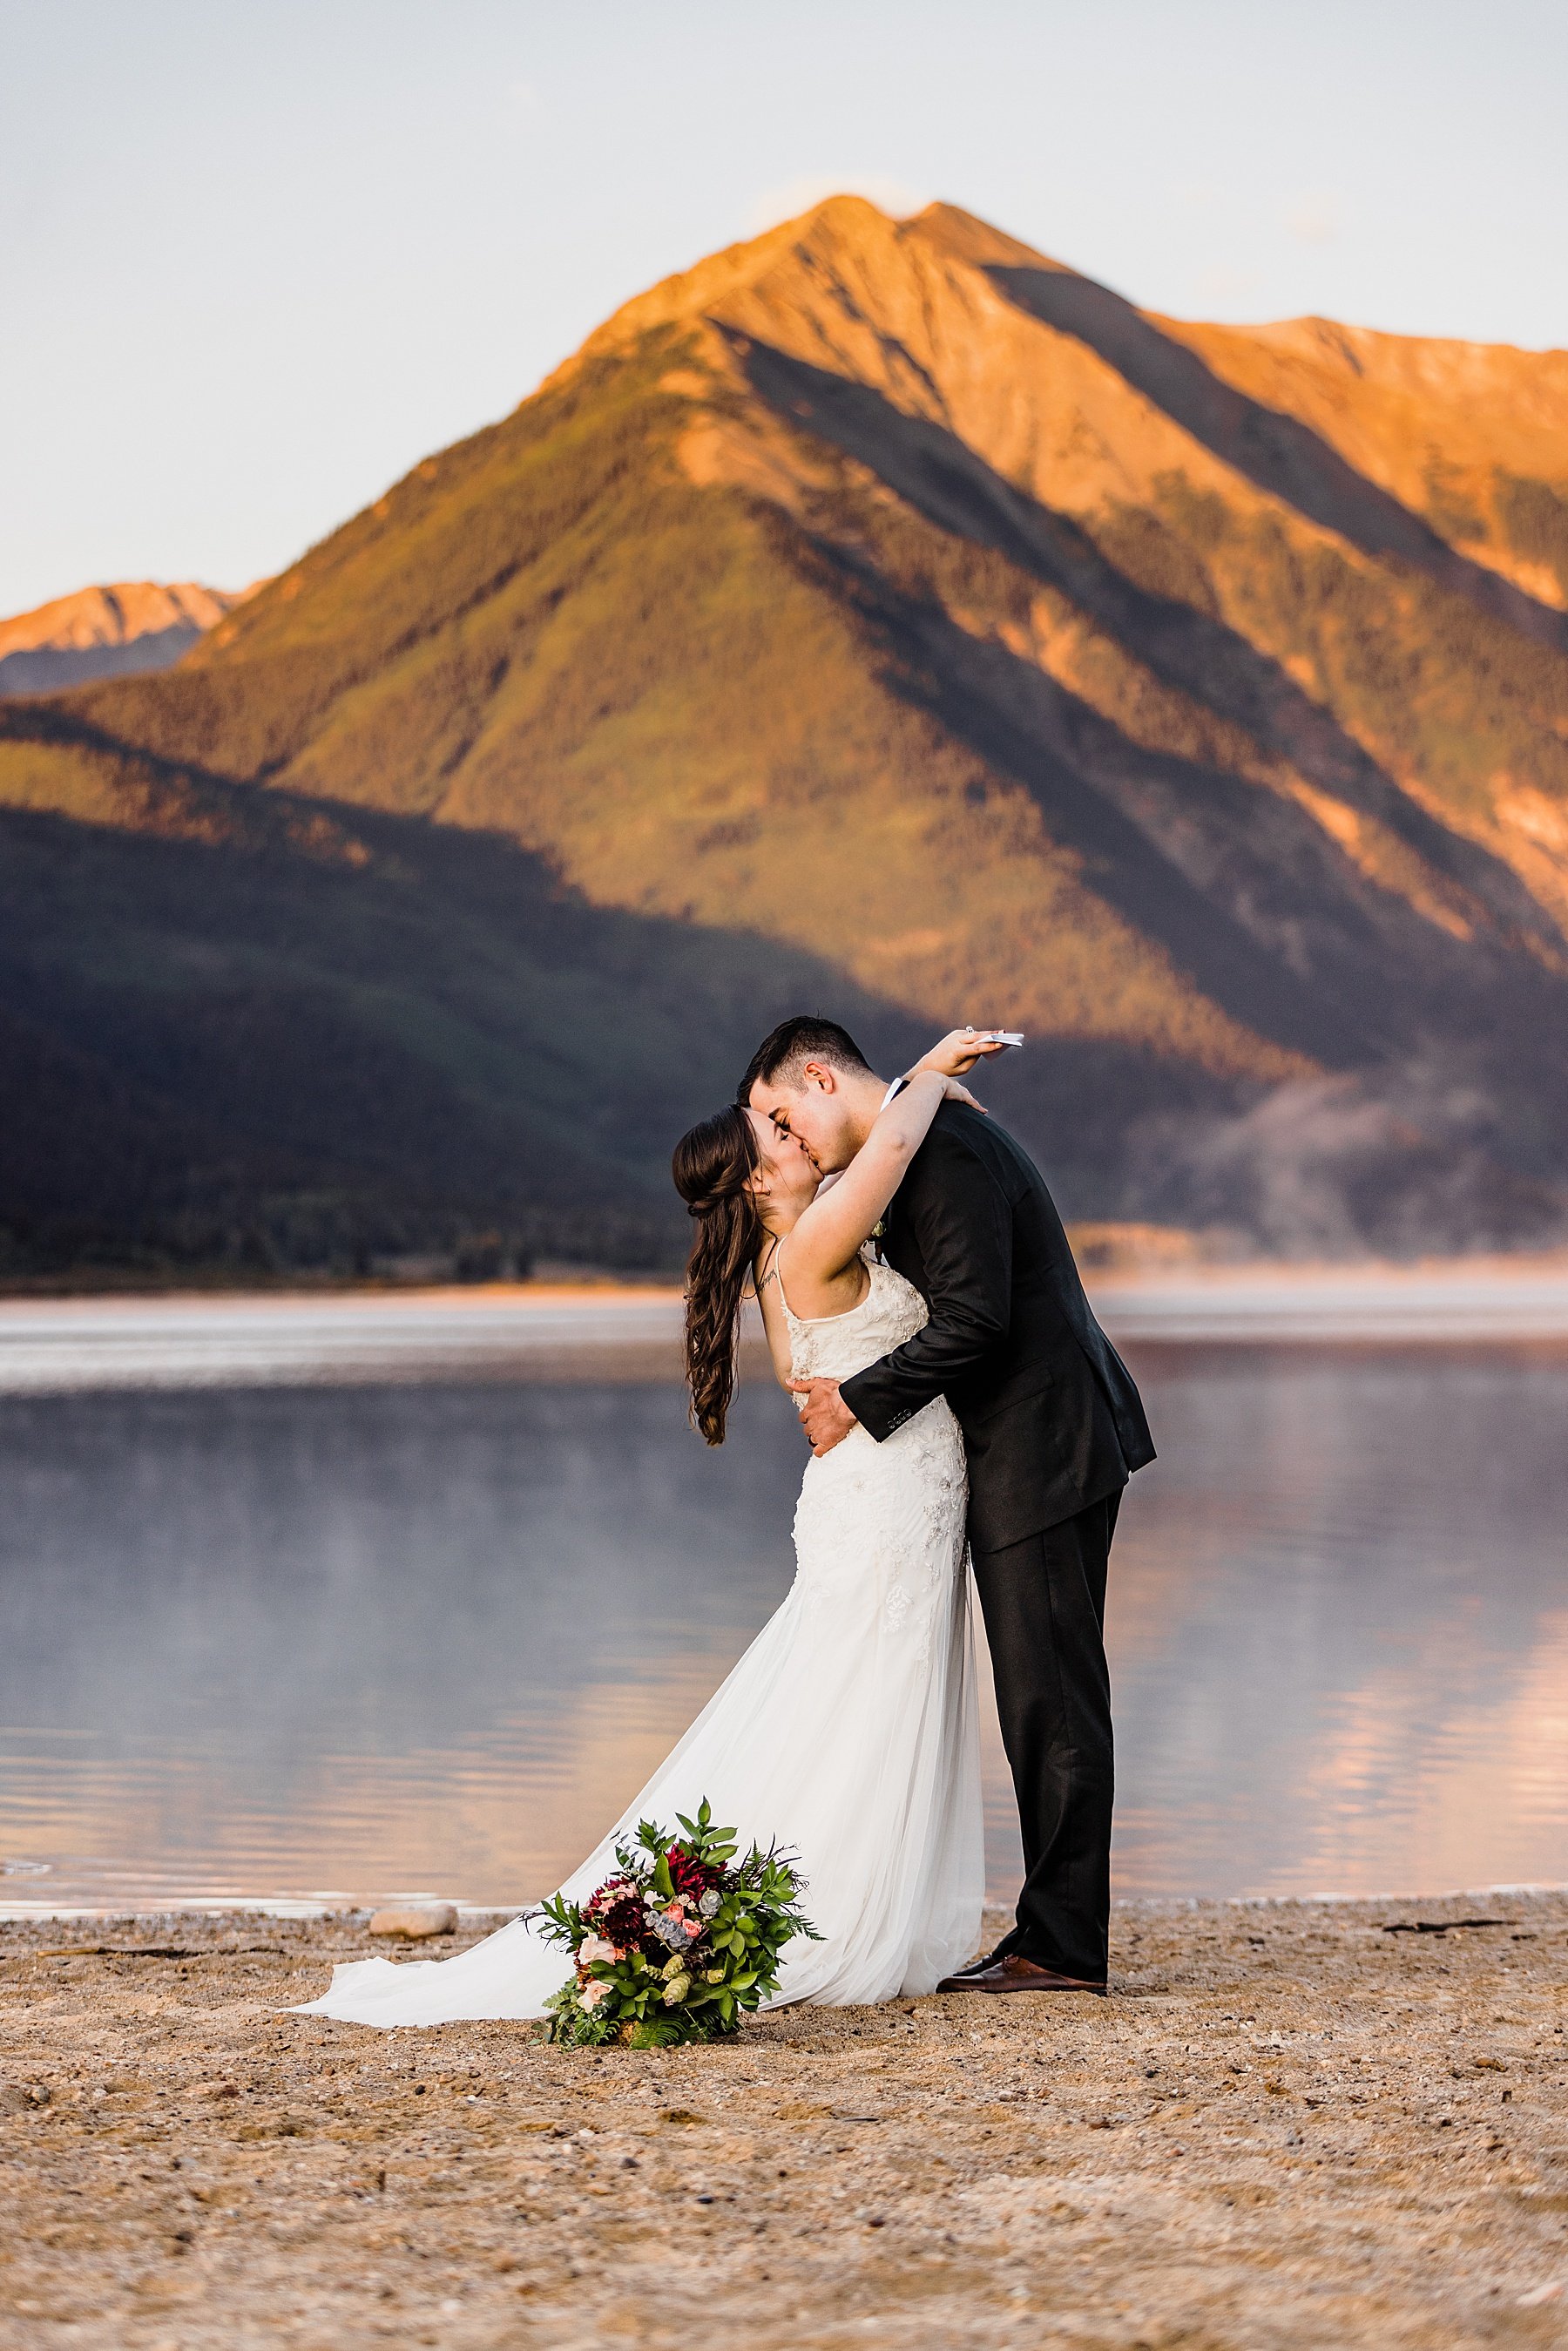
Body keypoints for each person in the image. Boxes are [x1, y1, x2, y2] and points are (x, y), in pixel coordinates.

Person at [293, 1026, 1004, 2026]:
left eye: (787, 1126)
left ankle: (839, 1896)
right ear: (758, 1184)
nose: (799, 1141)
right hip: (886, 1498)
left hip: (889, 1492)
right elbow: (887, 1150)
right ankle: (840, 1913)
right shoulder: (809, 1240)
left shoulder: (789, 1246)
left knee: (862, 1694)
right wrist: (924, 1076)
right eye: (779, 1139)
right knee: (864, 1695)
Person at [744, 1017, 1155, 1995]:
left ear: (814, 1075)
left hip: (1043, 1444)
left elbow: (979, 1316)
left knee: (1051, 1698)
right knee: (1038, 1695)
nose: (789, 1141)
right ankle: (1050, 1934)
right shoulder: (917, 1142)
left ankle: (1058, 1948)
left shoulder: (948, 1146)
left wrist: (858, 1396)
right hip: (1022, 1445)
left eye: (780, 1115)